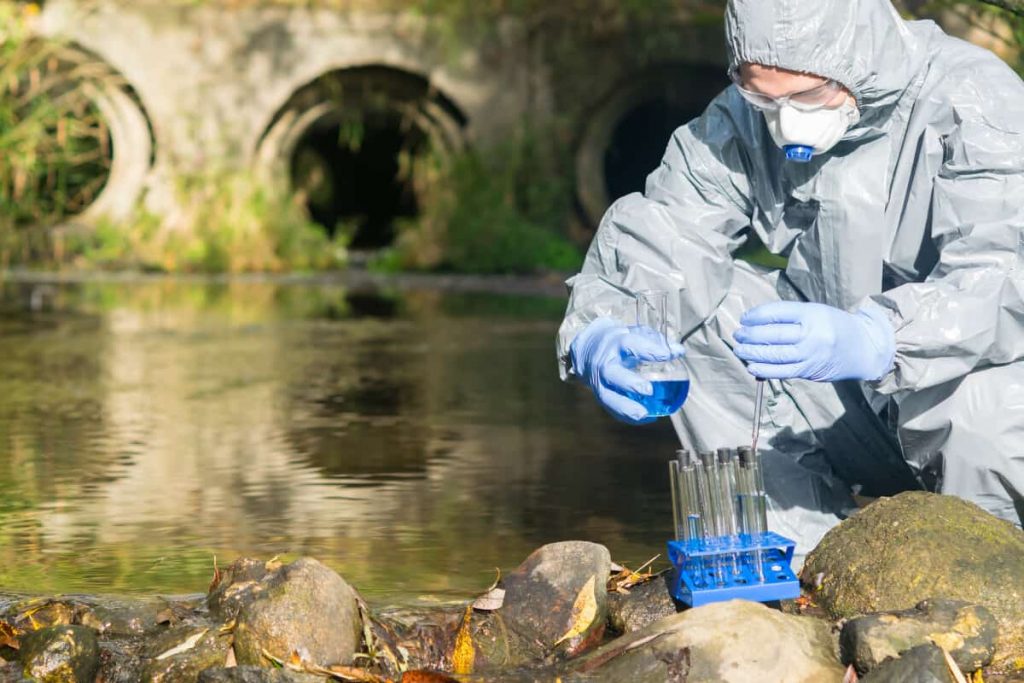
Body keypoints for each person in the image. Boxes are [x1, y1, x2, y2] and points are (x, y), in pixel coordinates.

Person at [558, 0, 1024, 553]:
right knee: (712, 320)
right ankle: (797, 566)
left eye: (806, 97)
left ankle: (994, 576)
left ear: (858, 56)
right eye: (763, 97)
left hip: (971, 407)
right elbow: (671, 228)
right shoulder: (740, 119)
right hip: (853, 408)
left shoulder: (977, 98)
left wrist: (884, 338)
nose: (785, 122)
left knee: (983, 398)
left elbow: (1000, 275)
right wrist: (604, 326)